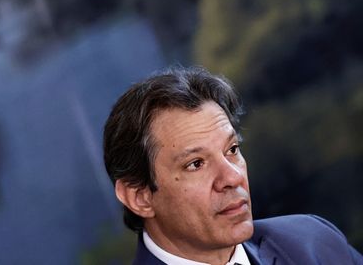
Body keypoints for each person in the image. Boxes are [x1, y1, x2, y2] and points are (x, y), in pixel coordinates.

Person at [102, 66, 363, 265]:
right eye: (196, 164)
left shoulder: (313, 243)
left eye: (232, 150)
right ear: (139, 197)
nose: (233, 176)